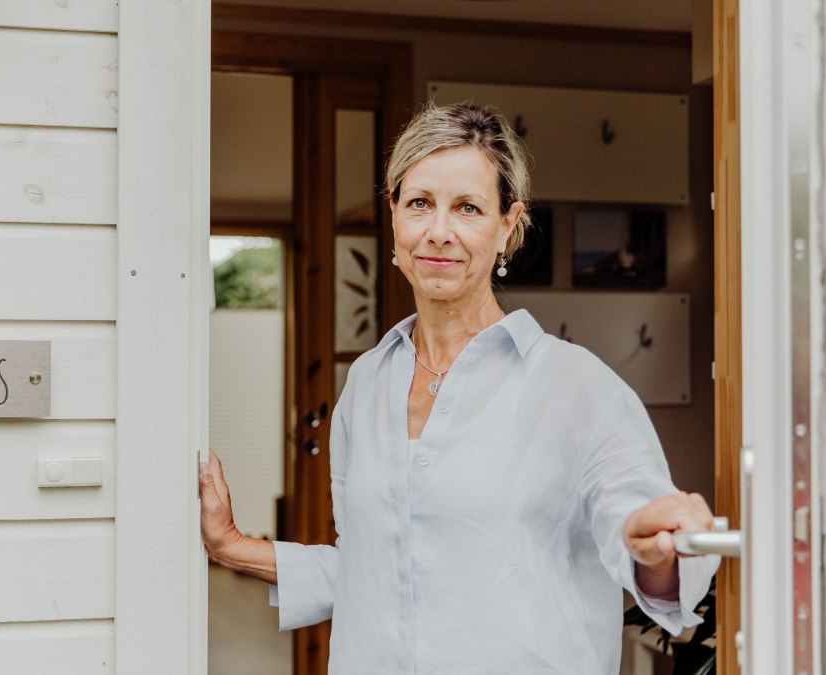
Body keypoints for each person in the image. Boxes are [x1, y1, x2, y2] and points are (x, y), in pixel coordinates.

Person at [200, 102, 720, 674]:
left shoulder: (578, 388)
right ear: (393, 215)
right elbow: (372, 570)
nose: (439, 231)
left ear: (508, 226)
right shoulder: (367, 383)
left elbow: (648, 549)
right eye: (419, 203)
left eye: (468, 208)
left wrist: (658, 552)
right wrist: (232, 547)